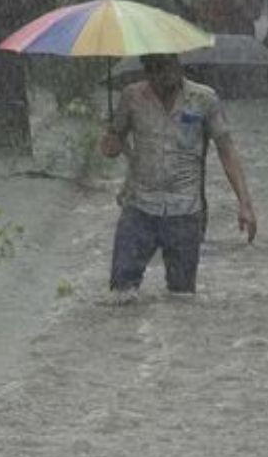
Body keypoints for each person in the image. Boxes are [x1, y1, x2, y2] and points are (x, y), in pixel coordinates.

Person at [100, 54, 257, 297]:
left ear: (178, 63)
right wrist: (111, 137)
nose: (163, 74)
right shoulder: (131, 97)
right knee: (120, 292)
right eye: (155, 68)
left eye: (167, 65)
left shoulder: (203, 98)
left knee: (182, 297)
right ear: (147, 70)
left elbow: (227, 150)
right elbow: (110, 148)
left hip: (185, 211)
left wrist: (245, 204)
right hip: (139, 207)